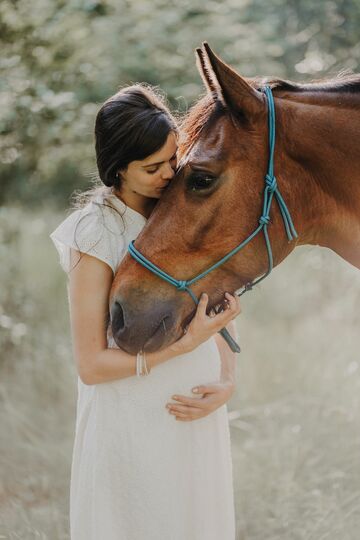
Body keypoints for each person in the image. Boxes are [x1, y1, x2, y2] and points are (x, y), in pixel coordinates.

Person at [50, 83, 241, 540]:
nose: (168, 174)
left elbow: (224, 309)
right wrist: (185, 345)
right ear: (117, 169)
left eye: (173, 159)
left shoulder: (182, 209)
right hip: (131, 421)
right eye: (152, 167)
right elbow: (92, 366)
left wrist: (227, 381)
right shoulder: (95, 233)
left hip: (196, 411)